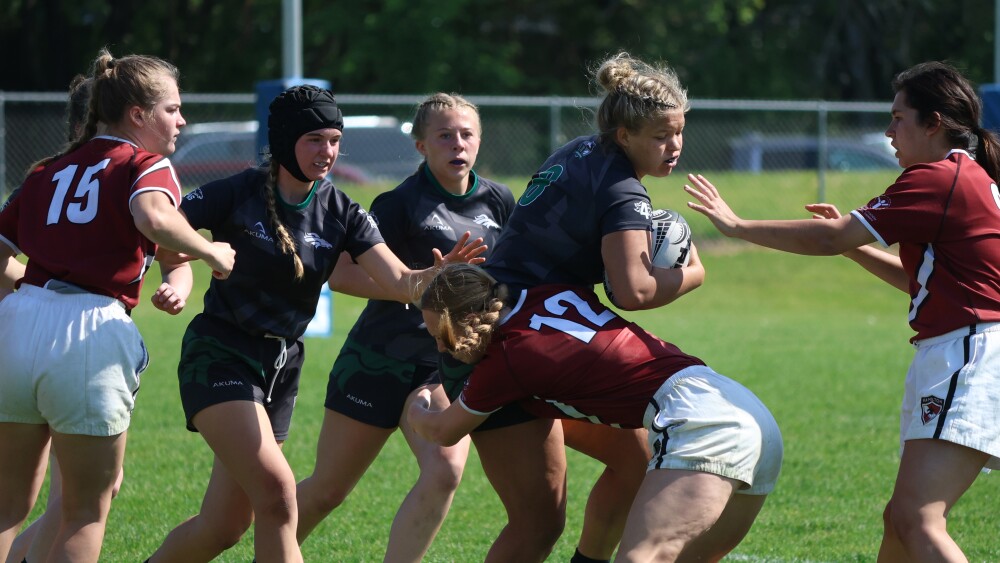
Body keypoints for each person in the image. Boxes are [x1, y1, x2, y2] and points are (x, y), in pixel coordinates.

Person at [145, 85, 486, 563]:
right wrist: (180, 271)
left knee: (223, 526)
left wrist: (435, 276)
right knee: (280, 493)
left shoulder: (342, 211)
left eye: (333, 140)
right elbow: (163, 225)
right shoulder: (237, 191)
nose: (327, 152)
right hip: (221, 352)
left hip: (282, 365)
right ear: (285, 140)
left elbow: (400, 281)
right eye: (314, 140)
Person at [684, 61, 1000, 561]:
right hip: (965, 348)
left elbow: (829, 237)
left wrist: (737, 225)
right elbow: (921, 283)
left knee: (917, 519)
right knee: (901, 521)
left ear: (933, 123)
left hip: (967, 352)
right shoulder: (967, 176)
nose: (889, 130)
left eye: (899, 118)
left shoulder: (938, 178)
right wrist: (855, 247)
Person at [439, 52, 705, 562]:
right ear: (625, 136)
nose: (674, 147)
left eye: (678, 132)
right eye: (660, 136)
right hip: (505, 343)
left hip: (530, 334)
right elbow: (633, 292)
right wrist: (693, 272)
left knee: (635, 460)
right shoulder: (622, 188)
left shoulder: (580, 150)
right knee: (538, 522)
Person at [0, 47, 235, 563]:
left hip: (16, 327)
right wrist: (213, 250)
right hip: (88, 332)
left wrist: (29, 297)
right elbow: (153, 217)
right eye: (172, 108)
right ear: (138, 115)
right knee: (84, 509)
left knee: (7, 505)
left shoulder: (47, 170)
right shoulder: (146, 163)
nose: (182, 119)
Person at [408, 263, 782, 562]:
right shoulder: (549, 292)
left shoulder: (506, 357)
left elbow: (444, 431)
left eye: (441, 333)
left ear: (470, 321)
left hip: (700, 419)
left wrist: (420, 408)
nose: (441, 347)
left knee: (642, 557)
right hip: (743, 407)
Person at [294, 93, 514, 559]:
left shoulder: (499, 200)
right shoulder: (399, 204)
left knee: (444, 472)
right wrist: (424, 286)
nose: (458, 143)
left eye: (467, 134)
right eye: (444, 135)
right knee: (328, 490)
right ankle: (270, 549)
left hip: (443, 366)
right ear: (421, 146)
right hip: (378, 359)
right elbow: (343, 275)